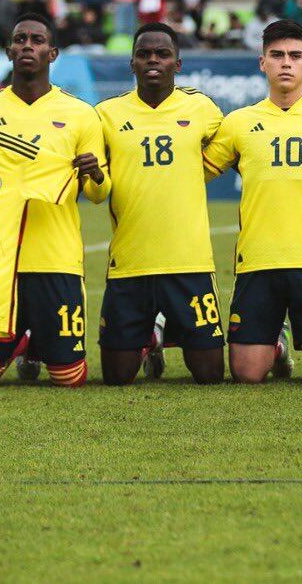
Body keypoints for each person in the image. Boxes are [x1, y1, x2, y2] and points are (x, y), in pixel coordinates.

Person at [201, 20, 302, 385]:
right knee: (246, 375)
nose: (285, 63)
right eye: (277, 55)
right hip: (257, 260)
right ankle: (277, 345)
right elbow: (198, 171)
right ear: (262, 63)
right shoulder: (239, 122)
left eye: (294, 55)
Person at [0, 14, 105, 387]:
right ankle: (23, 341)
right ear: (9, 51)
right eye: (20, 39)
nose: (28, 45)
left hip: (56, 261)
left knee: (68, 378)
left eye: (37, 40)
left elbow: (98, 194)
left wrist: (94, 173)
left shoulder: (80, 114)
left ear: (53, 52)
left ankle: (37, 342)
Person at [91, 24, 227, 385]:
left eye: (162, 54)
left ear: (177, 64)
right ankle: (150, 337)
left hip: (190, 262)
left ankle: (161, 329)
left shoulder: (202, 108)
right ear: (131, 63)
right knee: (117, 378)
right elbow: (97, 186)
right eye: (144, 53)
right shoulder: (106, 115)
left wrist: (196, 172)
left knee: (210, 375)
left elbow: (228, 146)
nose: (153, 59)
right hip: (130, 264)